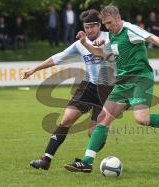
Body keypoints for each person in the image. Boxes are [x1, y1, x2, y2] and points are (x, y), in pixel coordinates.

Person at [64, 5, 159, 173]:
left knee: (142, 119)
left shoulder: (130, 29)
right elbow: (103, 54)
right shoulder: (112, 35)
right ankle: (87, 162)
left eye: (110, 23)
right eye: (105, 24)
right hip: (123, 81)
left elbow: (153, 38)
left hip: (140, 78)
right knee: (102, 119)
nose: (108, 27)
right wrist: (85, 44)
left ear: (118, 18)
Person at [22, 9, 115, 170]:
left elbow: (106, 51)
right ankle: (46, 159)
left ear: (100, 25)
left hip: (108, 90)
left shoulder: (110, 38)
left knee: (93, 133)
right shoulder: (80, 44)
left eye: (92, 26)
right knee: (66, 119)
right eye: (86, 27)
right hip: (89, 86)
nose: (89, 30)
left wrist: (95, 44)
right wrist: (35, 69)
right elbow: (58, 57)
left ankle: (89, 157)